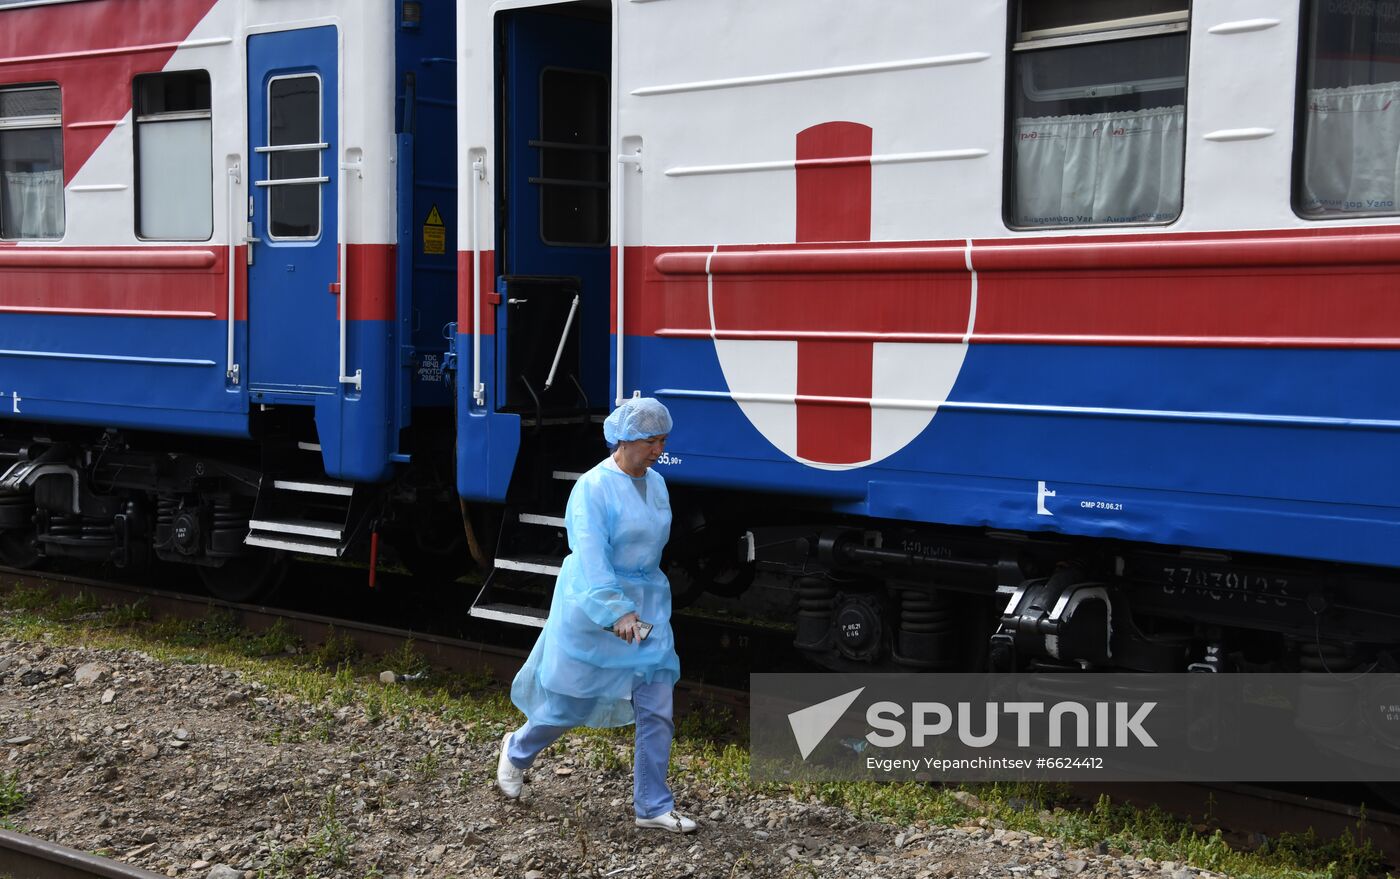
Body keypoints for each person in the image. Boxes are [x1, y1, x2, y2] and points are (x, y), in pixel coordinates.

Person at [497, 397, 697, 834]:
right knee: (570, 706)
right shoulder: (592, 487)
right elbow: (590, 557)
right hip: (594, 608)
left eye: (662, 440)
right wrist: (616, 611)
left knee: (657, 703)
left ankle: (652, 806)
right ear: (623, 439)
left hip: (647, 605)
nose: (658, 449)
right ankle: (516, 750)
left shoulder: (658, 484)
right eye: (650, 441)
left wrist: (639, 607)